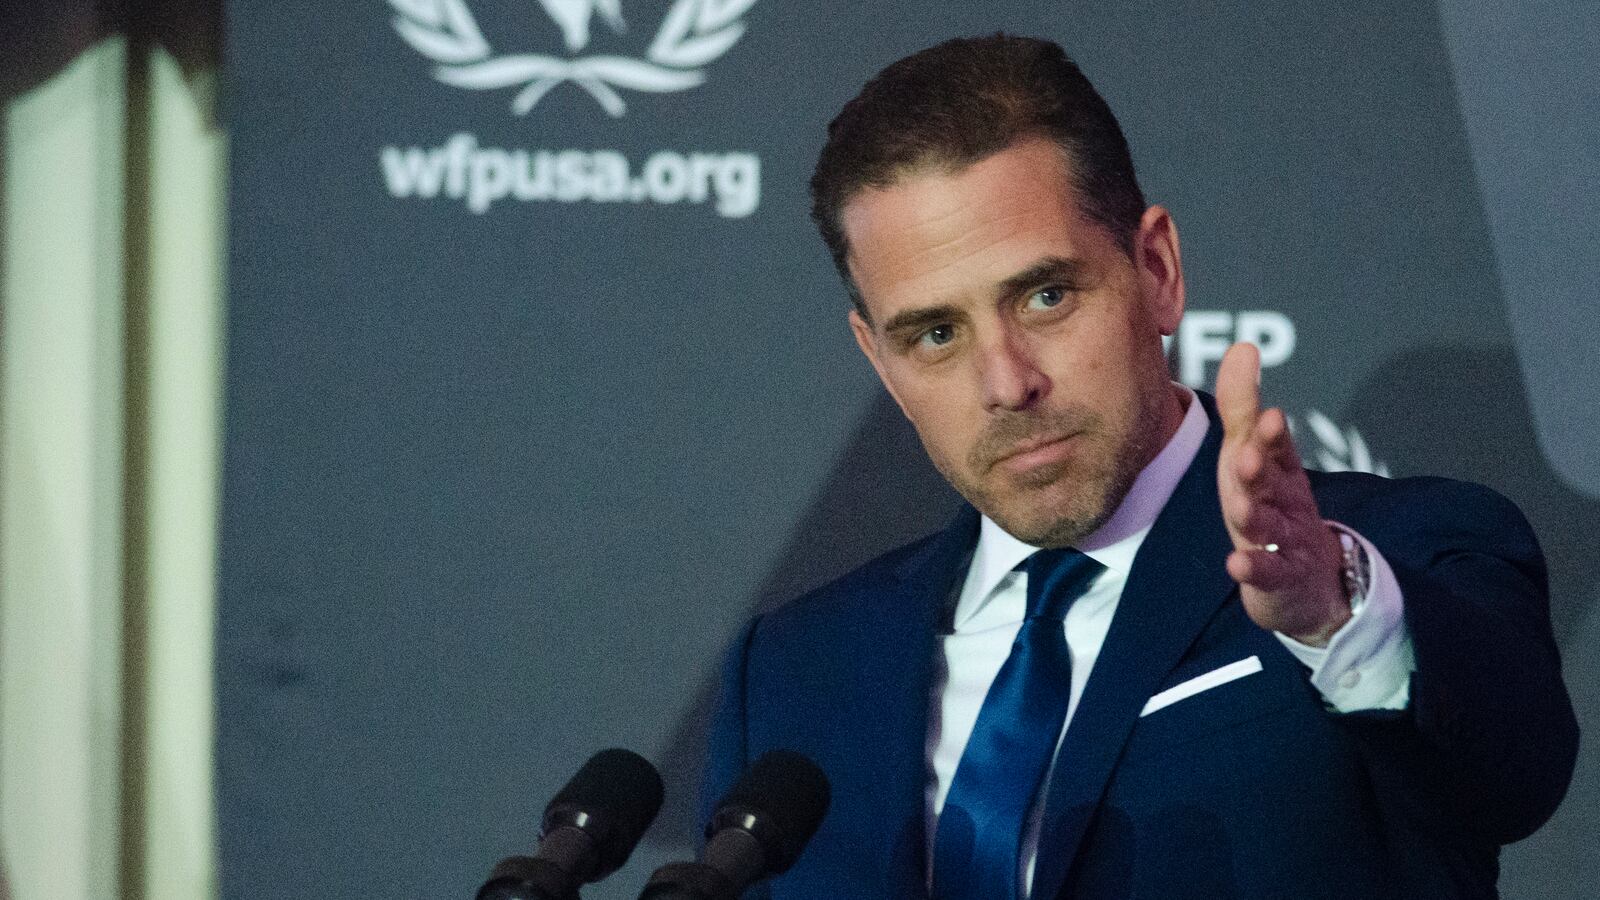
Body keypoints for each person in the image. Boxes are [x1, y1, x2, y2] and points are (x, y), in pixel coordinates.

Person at [702, 34, 1577, 900]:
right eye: (936, 334)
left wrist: (1332, 613)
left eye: (1046, 296)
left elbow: (1518, 771)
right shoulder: (793, 673)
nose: (1008, 382)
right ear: (879, 362)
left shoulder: (1394, 554)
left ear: (1156, 269)